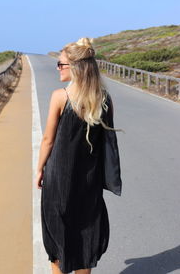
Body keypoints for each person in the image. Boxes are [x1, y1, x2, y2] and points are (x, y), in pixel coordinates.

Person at [35, 37, 122, 274]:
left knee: (58, 238)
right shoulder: (103, 99)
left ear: (76, 67)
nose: (58, 68)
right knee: (85, 236)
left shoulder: (60, 96)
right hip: (89, 181)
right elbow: (107, 144)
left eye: (61, 64)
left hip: (59, 179)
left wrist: (40, 169)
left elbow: (48, 140)